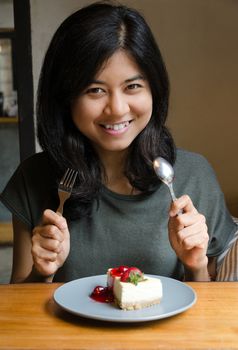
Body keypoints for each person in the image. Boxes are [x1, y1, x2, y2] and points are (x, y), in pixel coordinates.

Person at [0, 1, 237, 283]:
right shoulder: (34, 177)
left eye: (132, 86)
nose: (117, 109)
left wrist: (196, 265)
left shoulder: (193, 175)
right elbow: (19, 314)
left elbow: (210, 312)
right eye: (95, 90)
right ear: (66, 97)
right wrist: (42, 272)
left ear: (154, 89)